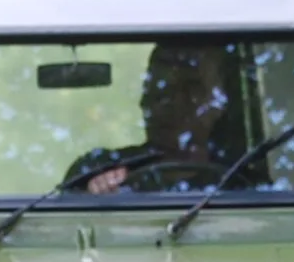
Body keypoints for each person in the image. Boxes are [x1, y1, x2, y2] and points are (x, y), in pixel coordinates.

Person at [67, 42, 239, 194]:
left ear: (219, 105)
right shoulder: (97, 168)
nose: (172, 105)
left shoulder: (243, 184)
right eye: (161, 91)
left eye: (191, 89)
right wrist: (94, 195)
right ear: (145, 102)